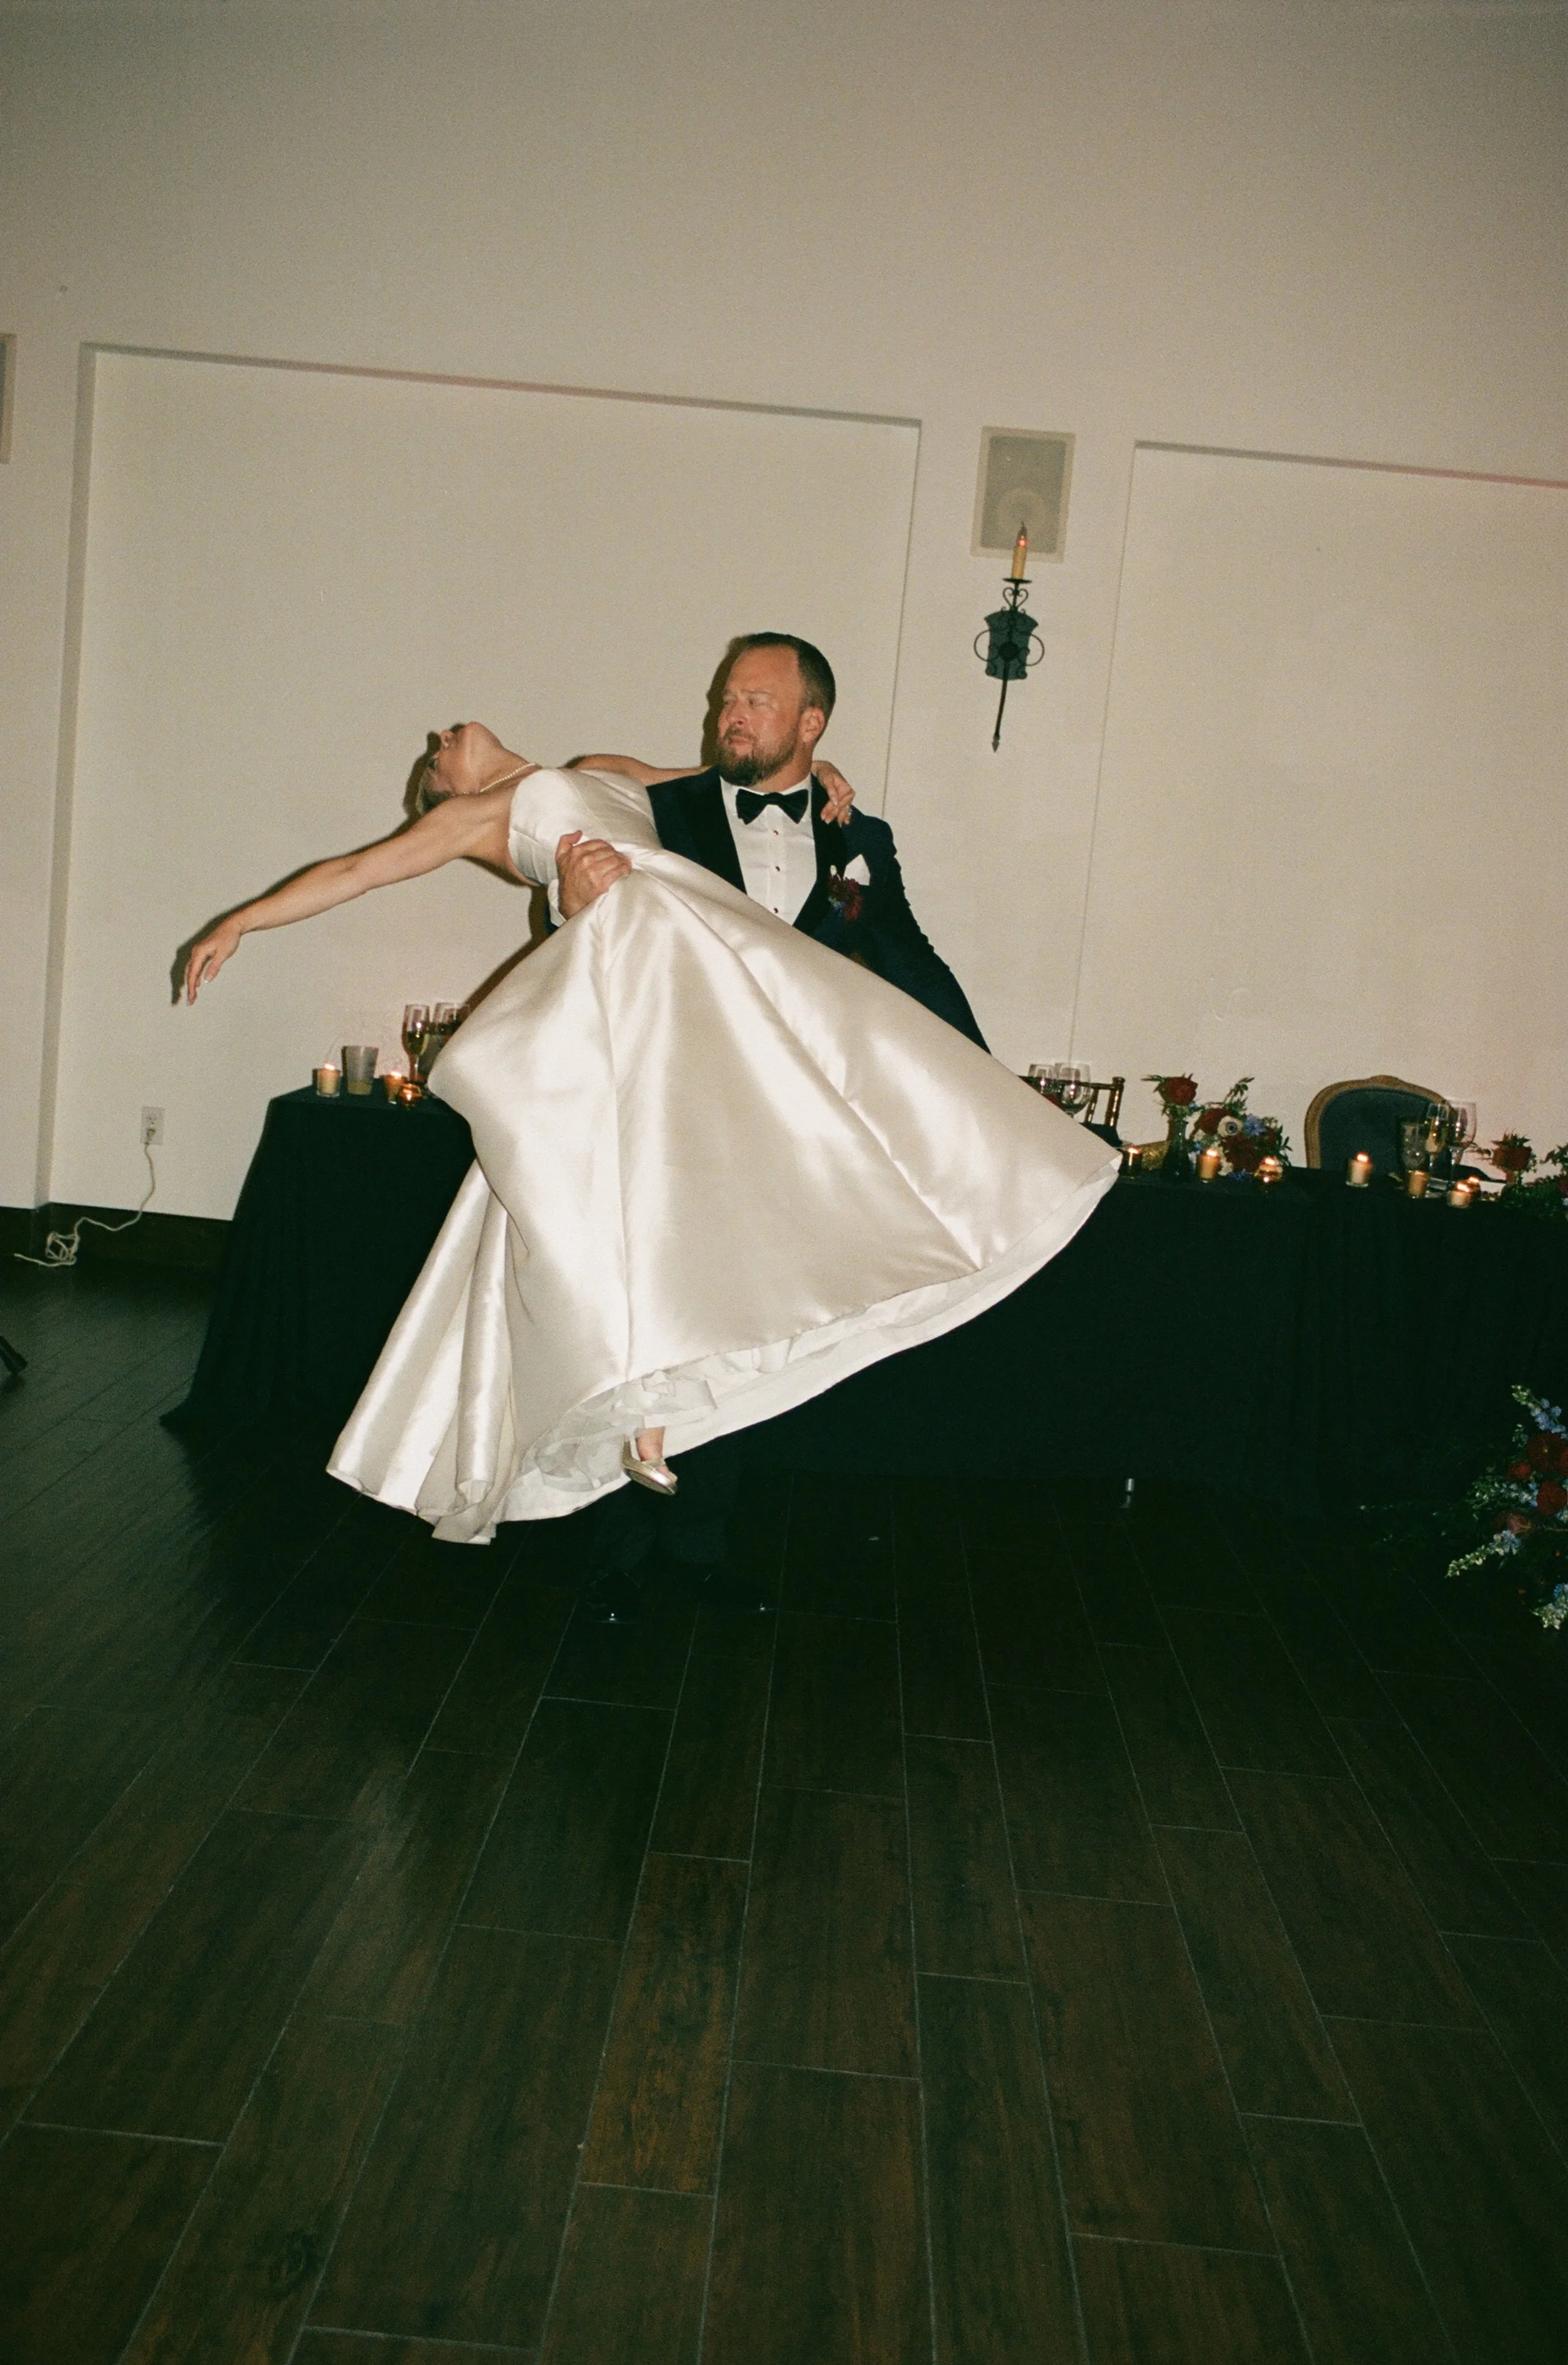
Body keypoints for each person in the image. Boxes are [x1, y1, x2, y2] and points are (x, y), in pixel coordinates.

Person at [185, 702, 1116, 1590]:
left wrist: (819, 769)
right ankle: (646, 1414)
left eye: (439, 738)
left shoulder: (599, 770)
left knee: (713, 1195)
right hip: (640, 976)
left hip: (708, 965)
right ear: (449, 791)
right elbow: (359, 870)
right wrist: (242, 919)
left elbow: (720, 781)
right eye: (436, 756)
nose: (443, 736)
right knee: (645, 1200)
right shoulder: (478, 816)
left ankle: (682, 1392)